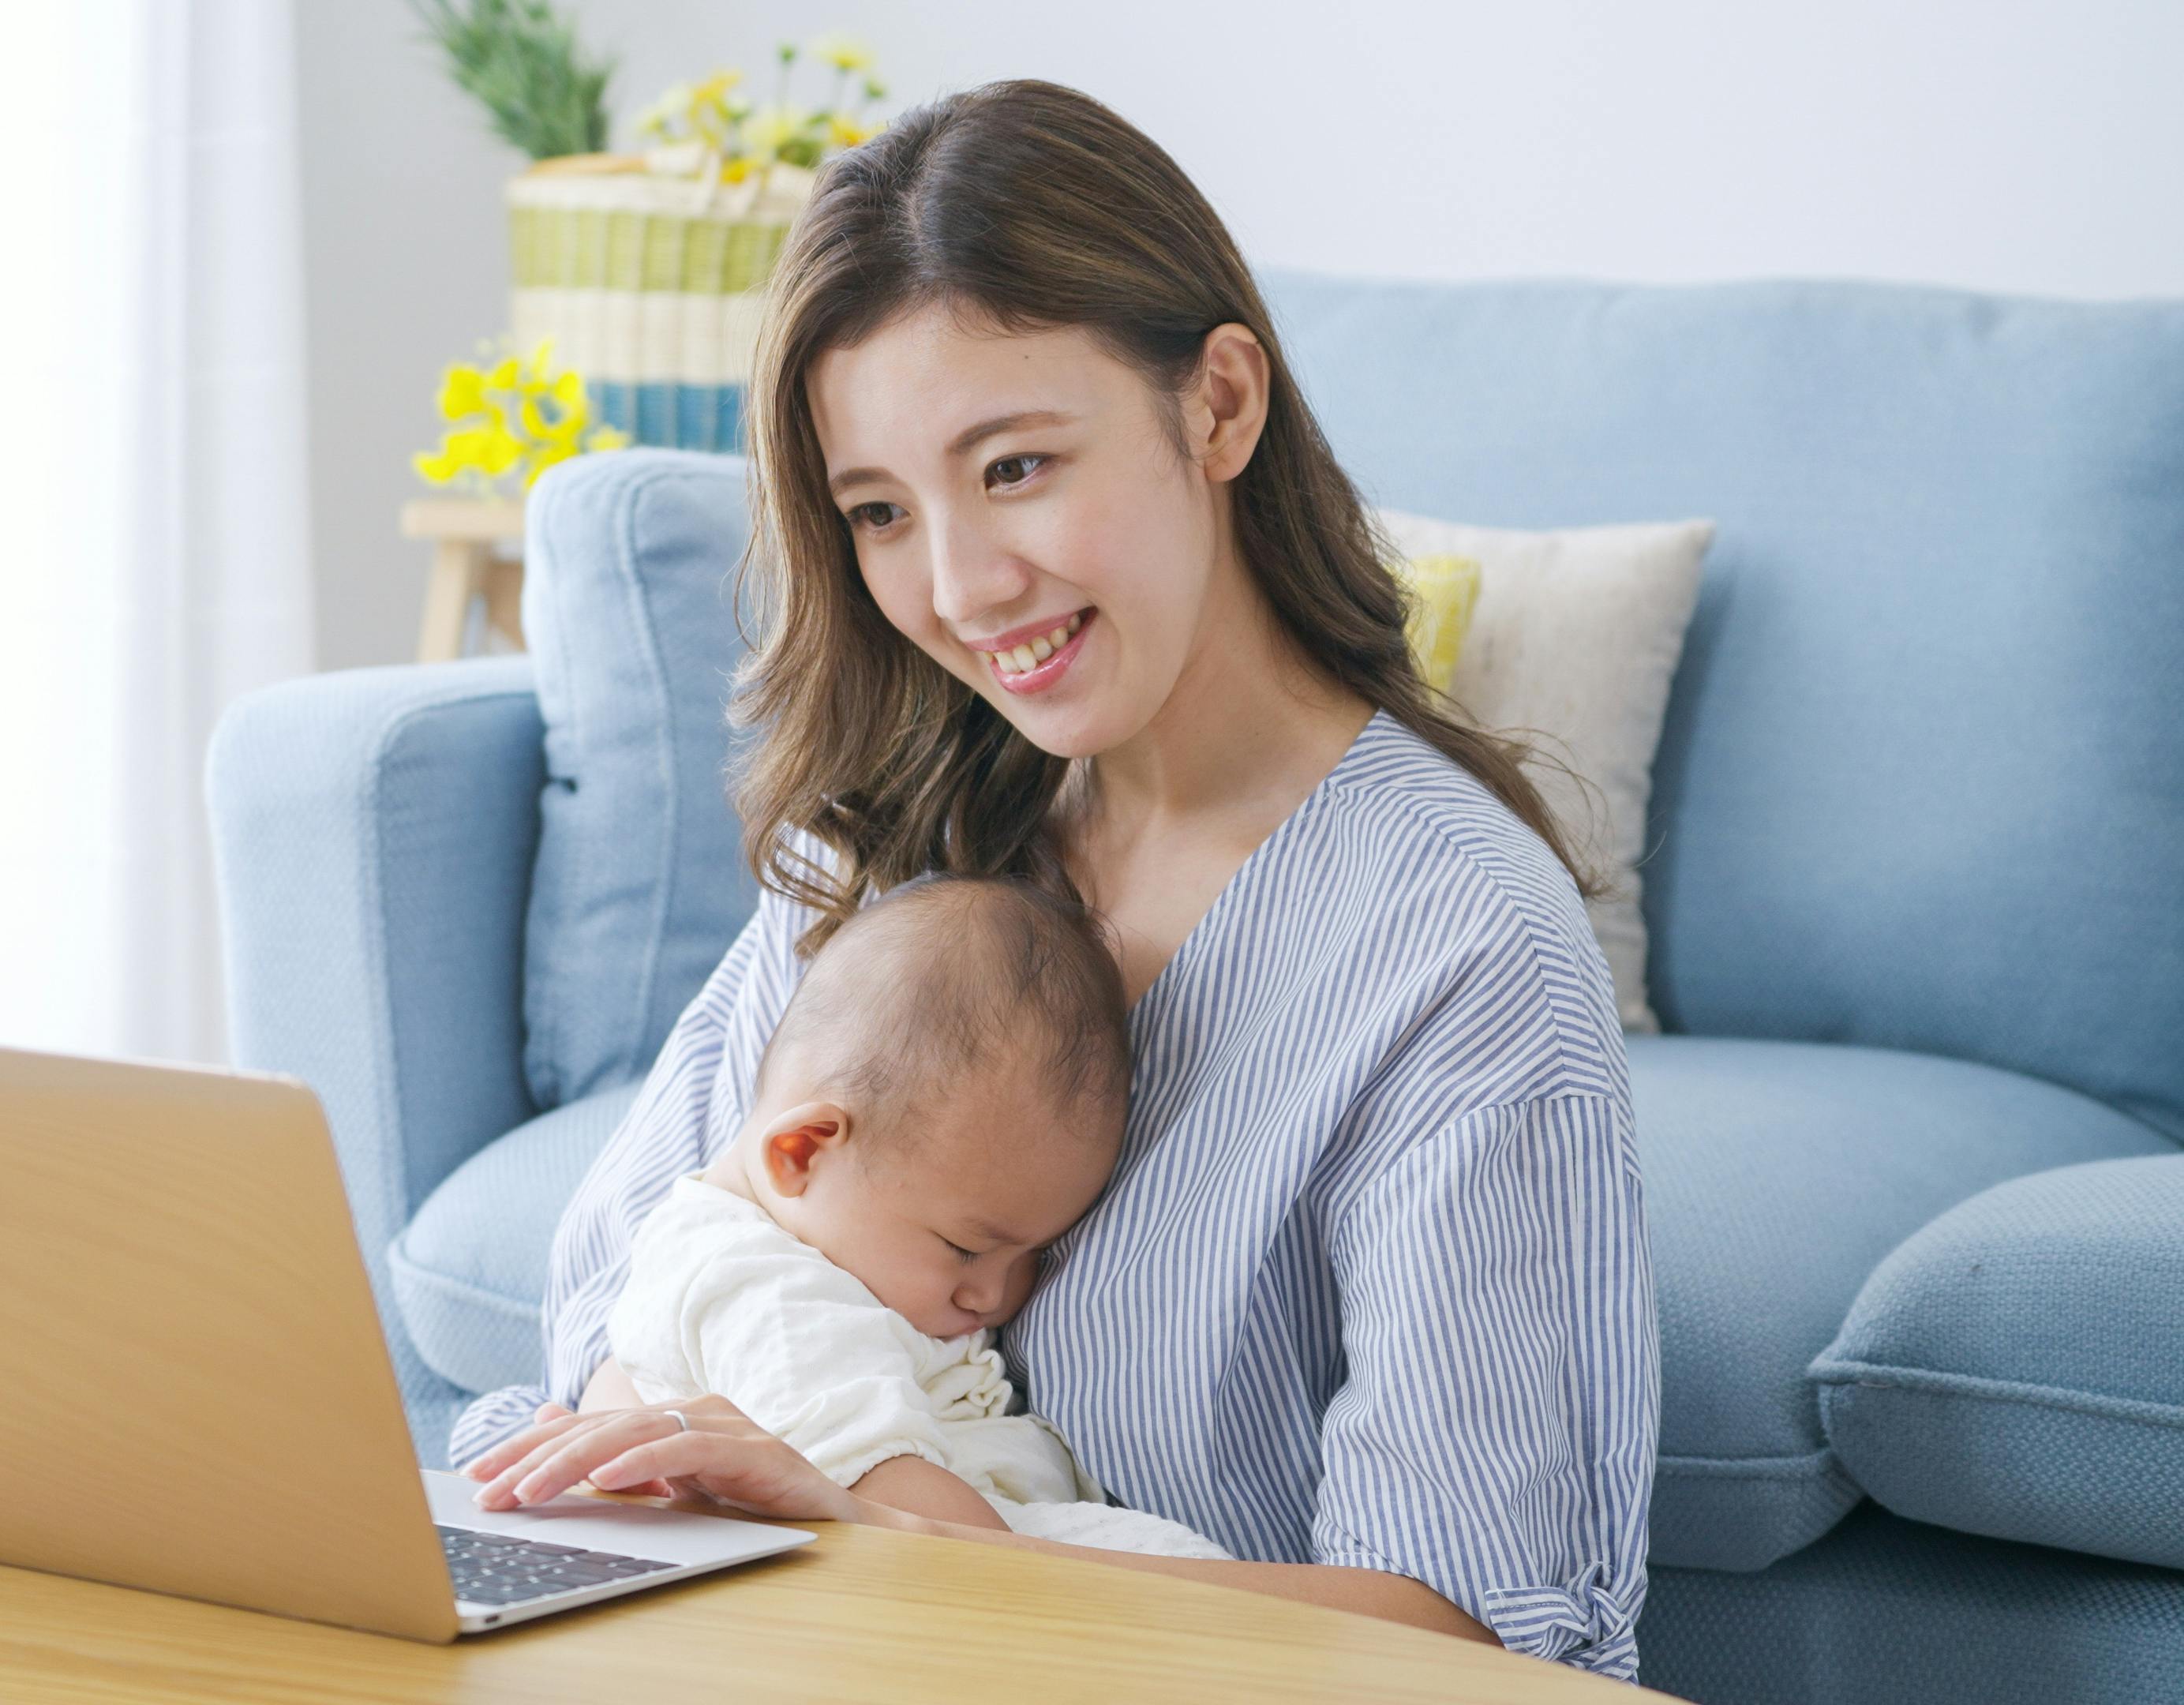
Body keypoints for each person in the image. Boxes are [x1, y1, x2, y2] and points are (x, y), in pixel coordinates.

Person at [451, 77, 1658, 1682]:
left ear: (1219, 407)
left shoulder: (1453, 944)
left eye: (1014, 467)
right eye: (880, 512)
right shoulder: (890, 844)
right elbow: (619, 1305)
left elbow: (1492, 1632)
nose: (957, 588)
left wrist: (899, 1550)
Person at [481, 871, 1227, 1561]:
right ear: (801, 1151)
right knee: (1174, 1571)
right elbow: (890, 1496)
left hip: (940, 1552)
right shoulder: (769, 1291)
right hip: (950, 1559)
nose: (996, 1297)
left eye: (1033, 1255)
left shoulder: (811, 1241)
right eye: (967, 1248)